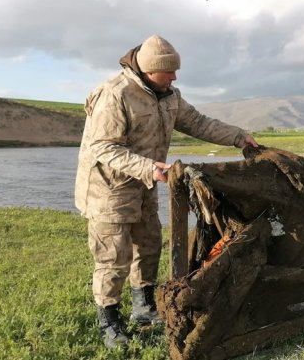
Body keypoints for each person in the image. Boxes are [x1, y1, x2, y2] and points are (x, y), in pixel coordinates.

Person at [74, 34, 258, 349]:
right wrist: (149, 168)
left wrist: (239, 137)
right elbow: (102, 147)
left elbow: (199, 123)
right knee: (113, 257)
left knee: (148, 246)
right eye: (168, 71)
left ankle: (143, 308)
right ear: (148, 69)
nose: (174, 77)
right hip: (108, 190)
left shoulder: (169, 96)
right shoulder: (114, 95)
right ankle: (109, 322)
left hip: (144, 185)